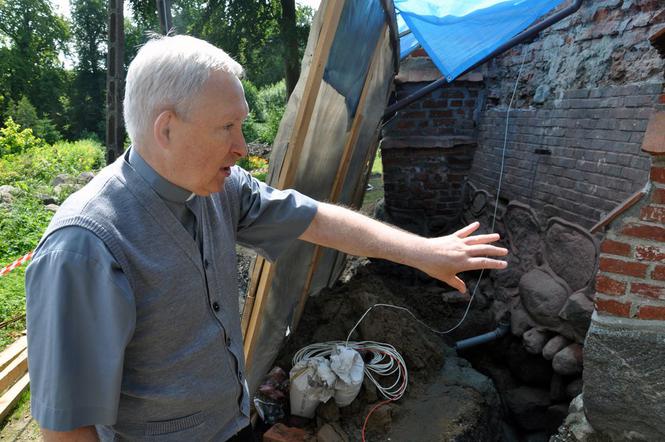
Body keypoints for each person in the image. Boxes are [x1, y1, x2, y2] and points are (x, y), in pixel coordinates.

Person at [25, 35, 508, 442]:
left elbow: (315, 219)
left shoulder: (218, 187)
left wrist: (422, 252)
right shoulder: (85, 248)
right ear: (166, 128)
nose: (241, 146)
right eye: (227, 127)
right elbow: (68, 426)